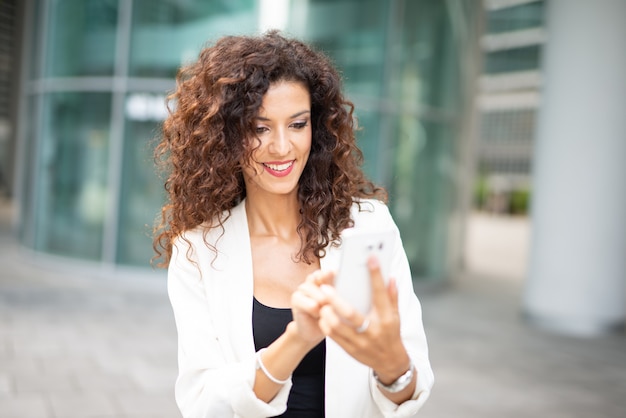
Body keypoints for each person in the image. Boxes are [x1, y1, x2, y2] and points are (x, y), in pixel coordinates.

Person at [153, 31, 434, 418]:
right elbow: (202, 402)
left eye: (297, 124)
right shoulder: (199, 248)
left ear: (316, 129)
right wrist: (297, 339)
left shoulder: (369, 226)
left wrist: (392, 365)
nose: (282, 147)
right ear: (226, 136)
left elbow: (413, 388)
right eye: (259, 128)